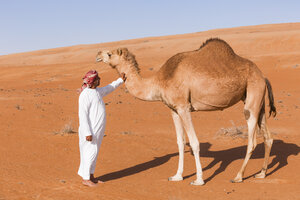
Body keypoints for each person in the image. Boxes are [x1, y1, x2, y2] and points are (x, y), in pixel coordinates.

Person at [77, 70, 126, 187]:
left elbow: (110, 87)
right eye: (97, 78)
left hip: (97, 130)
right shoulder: (85, 95)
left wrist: (120, 80)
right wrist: (87, 132)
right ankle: (85, 179)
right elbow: (82, 115)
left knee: (94, 152)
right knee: (90, 153)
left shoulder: (97, 91)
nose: (99, 80)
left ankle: (91, 176)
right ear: (92, 81)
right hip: (89, 131)